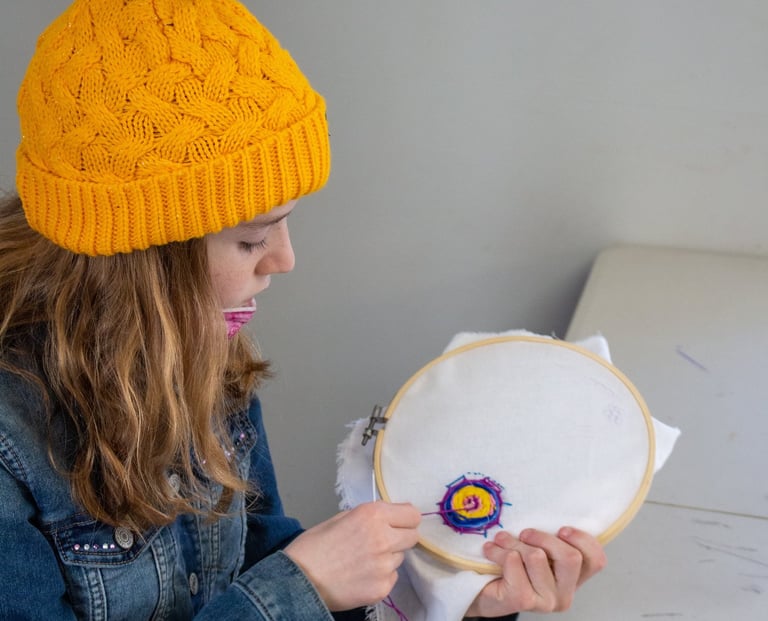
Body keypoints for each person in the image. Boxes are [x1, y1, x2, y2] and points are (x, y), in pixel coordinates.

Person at [0, 0, 605, 619]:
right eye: (251, 239)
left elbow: (258, 570)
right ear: (140, 256)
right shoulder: (9, 446)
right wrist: (302, 586)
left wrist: (459, 601)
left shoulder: (204, 356)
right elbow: (283, 589)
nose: (284, 260)